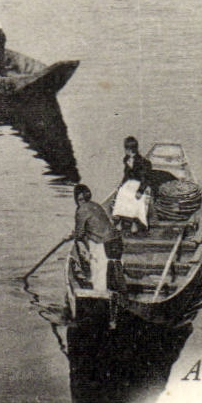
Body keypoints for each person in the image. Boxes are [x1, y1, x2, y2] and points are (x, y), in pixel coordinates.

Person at [72, 184, 123, 320]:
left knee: (99, 276)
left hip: (103, 245)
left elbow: (79, 234)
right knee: (111, 272)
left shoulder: (81, 209)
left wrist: (75, 236)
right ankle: (114, 301)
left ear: (77, 198)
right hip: (116, 242)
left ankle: (99, 310)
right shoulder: (96, 205)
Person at [112, 136, 154, 235]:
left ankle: (134, 222)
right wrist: (120, 185)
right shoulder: (126, 159)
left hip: (139, 183)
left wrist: (140, 191)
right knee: (122, 193)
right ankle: (120, 220)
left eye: (126, 148)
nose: (125, 150)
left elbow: (145, 178)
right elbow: (126, 175)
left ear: (129, 149)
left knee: (134, 197)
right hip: (130, 183)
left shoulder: (142, 162)